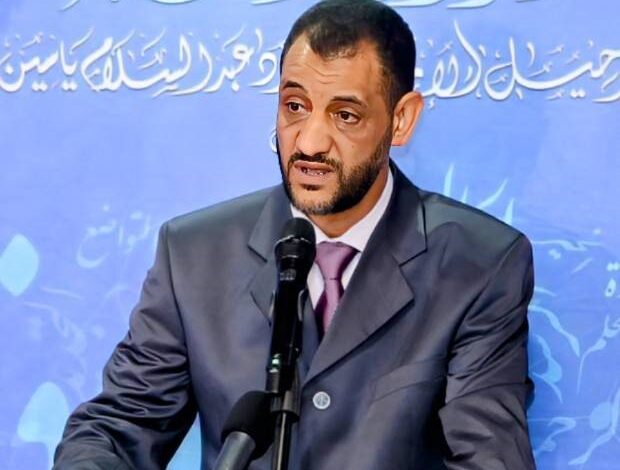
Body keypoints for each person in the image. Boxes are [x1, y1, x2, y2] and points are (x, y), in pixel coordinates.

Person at [53, 1, 536, 468]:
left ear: (401, 119)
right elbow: (119, 427)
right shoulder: (193, 255)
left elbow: (488, 457)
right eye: (295, 106)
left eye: (345, 115)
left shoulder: (479, 265)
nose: (309, 142)